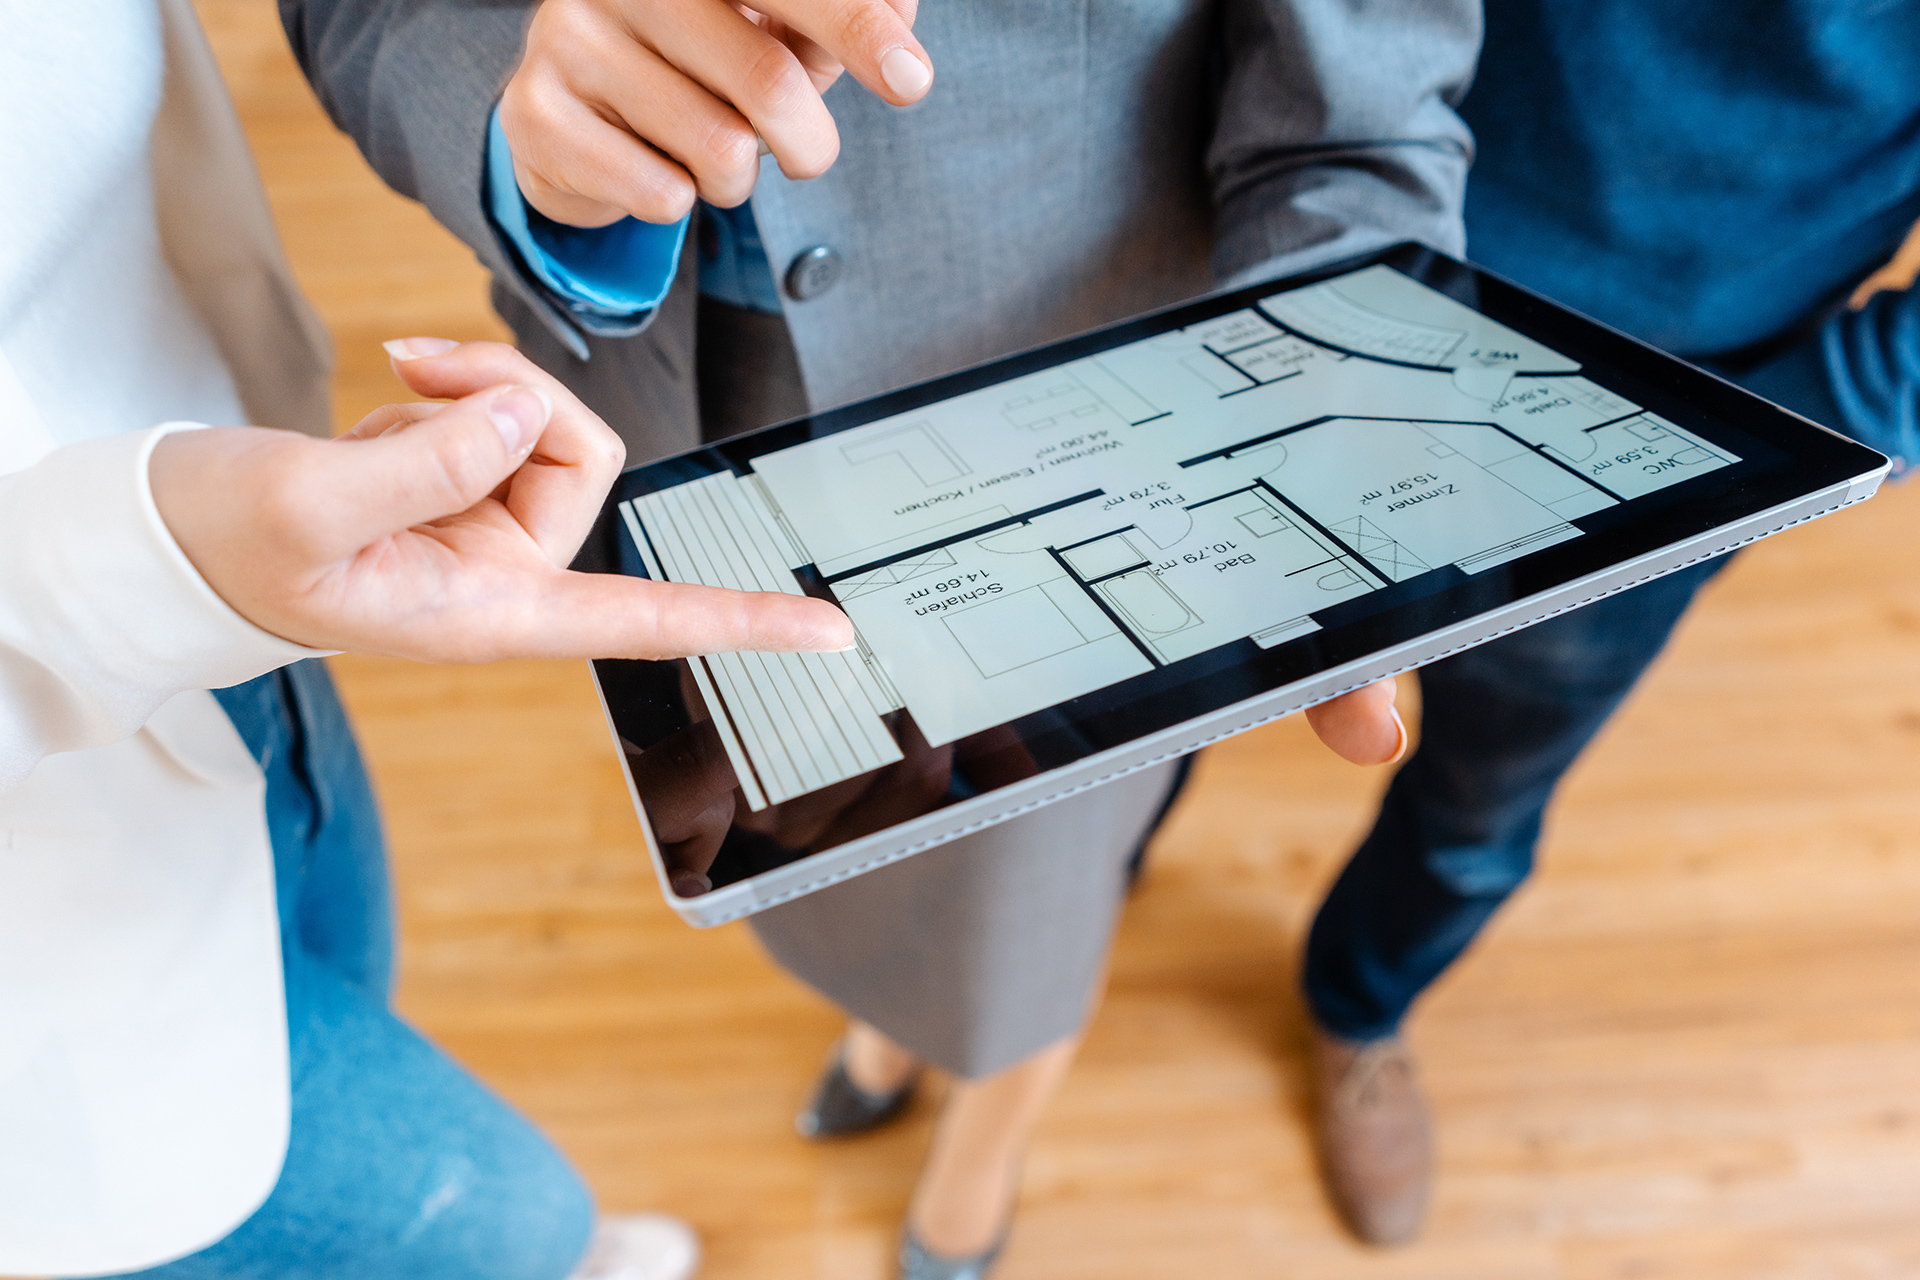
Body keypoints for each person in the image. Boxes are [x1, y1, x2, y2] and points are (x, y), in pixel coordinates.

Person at [280, 0, 1468, 1272]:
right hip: (679, 407)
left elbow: (1354, 131)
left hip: (1072, 432)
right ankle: (887, 1034)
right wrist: (517, 121)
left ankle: (980, 1157)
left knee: (1029, 892)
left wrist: (1320, 414)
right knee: (807, 831)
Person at [0, 2, 855, 1277]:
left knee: (361, 973)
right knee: (509, 1221)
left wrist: (556, 112)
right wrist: (137, 557)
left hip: (252, 616)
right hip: (46, 936)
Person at [1290, 0, 1920, 1248]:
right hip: (1337, 285)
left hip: (1689, 427)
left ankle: (1358, 1010)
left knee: (1476, 809)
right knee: (1130, 728)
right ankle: (1036, 959)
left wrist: (1751, 455)